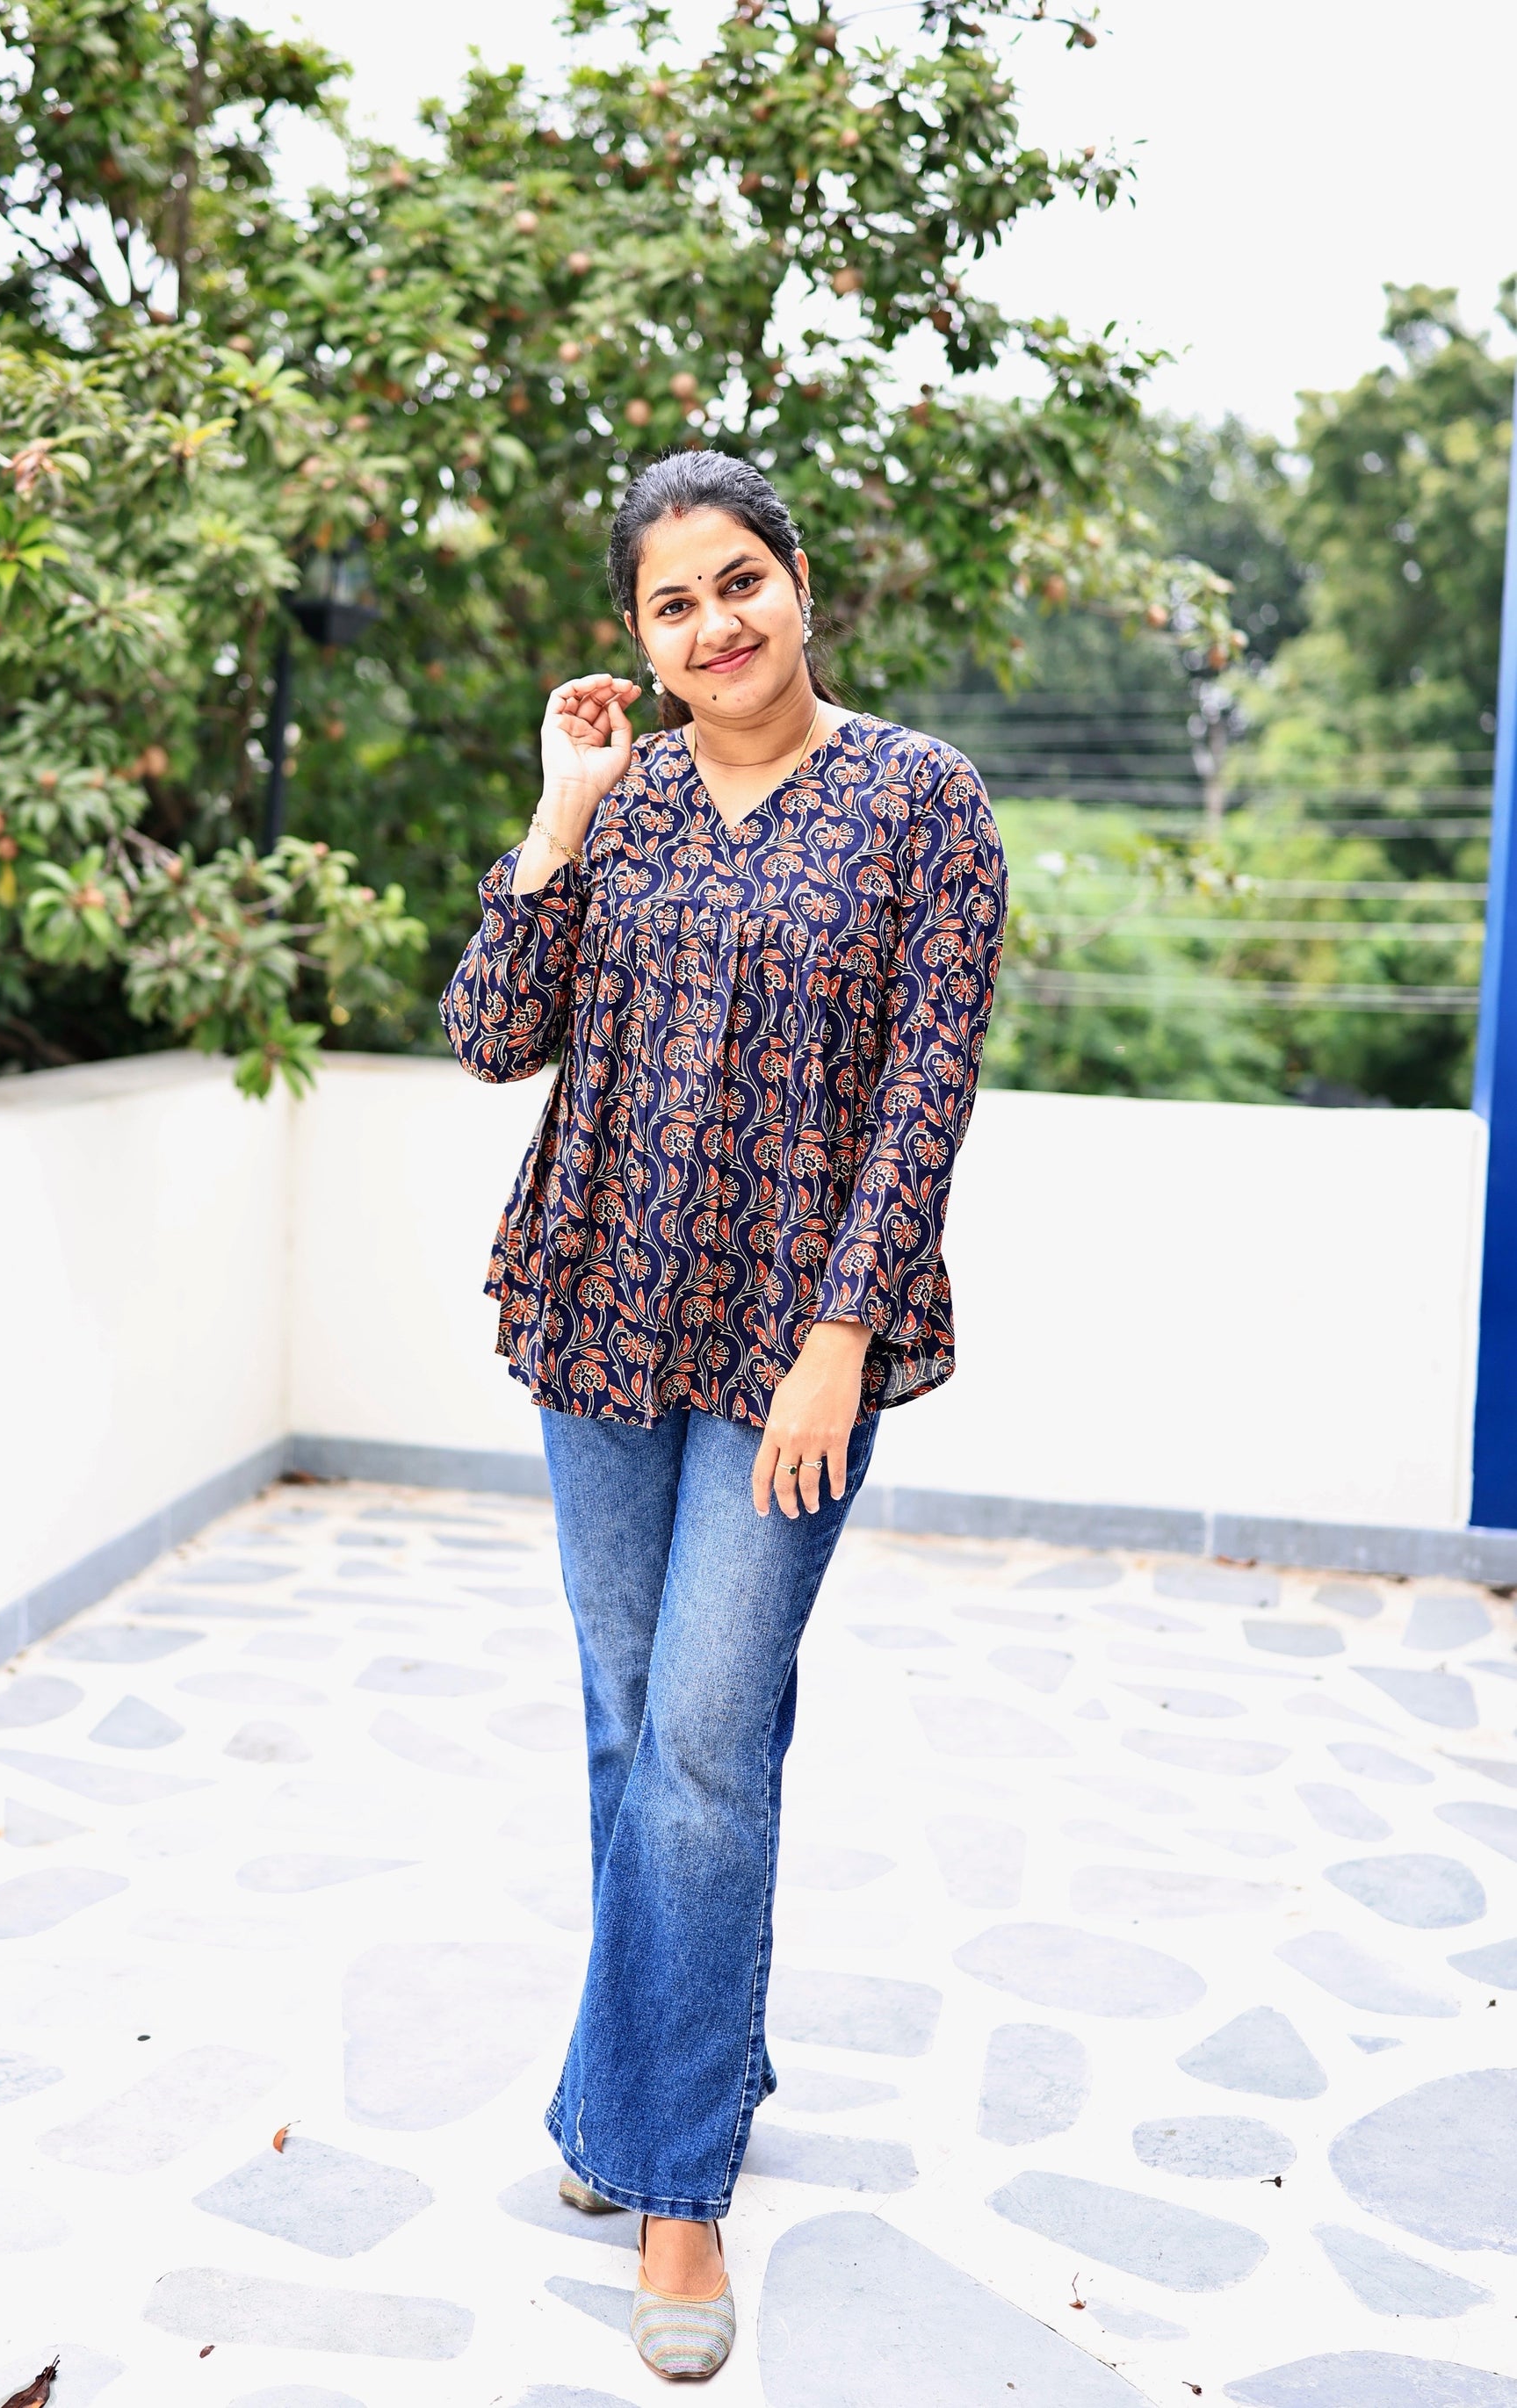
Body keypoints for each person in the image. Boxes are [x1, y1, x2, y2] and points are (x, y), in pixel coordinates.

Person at [441, 450, 1006, 2382]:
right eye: (672, 604)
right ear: (638, 637)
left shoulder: (922, 797)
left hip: (795, 1343)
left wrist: (842, 1339)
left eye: (739, 580)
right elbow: (488, 1035)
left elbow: (926, 1089)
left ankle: (673, 2186)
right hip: (596, 1306)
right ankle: (668, 2064)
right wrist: (558, 808)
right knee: (635, 1724)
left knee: (699, 1736)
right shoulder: (624, 802)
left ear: (799, 579)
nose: (716, 624)